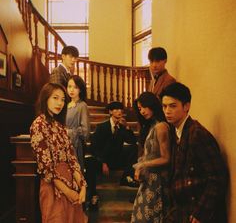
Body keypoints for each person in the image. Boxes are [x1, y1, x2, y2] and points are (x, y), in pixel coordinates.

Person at [160, 82, 228, 223]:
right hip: (180, 209)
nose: (167, 111)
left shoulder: (197, 134)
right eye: (164, 106)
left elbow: (217, 177)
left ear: (186, 106)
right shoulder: (175, 131)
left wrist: (200, 213)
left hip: (196, 212)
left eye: (173, 106)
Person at [30, 82, 87, 223]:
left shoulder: (60, 126)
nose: (60, 103)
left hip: (71, 181)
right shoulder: (38, 125)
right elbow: (46, 168)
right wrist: (68, 192)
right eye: (55, 98)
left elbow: (72, 158)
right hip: (53, 186)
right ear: (45, 98)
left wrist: (82, 186)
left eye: (62, 99)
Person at [86, 101, 138, 210]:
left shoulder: (123, 127)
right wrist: (102, 162)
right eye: (116, 109)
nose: (119, 112)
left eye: (121, 110)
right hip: (103, 161)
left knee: (133, 148)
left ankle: (126, 176)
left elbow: (133, 141)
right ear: (110, 111)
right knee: (89, 161)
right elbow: (94, 147)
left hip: (116, 160)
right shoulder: (102, 127)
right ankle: (93, 196)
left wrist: (127, 127)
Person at [131, 92, 171, 223]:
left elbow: (166, 158)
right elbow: (147, 154)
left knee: (149, 217)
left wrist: (144, 165)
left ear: (152, 105)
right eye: (139, 108)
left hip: (157, 180)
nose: (142, 111)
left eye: (144, 107)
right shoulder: (151, 126)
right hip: (148, 179)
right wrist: (140, 166)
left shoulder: (161, 127)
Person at [66, 75, 90, 172]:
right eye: (69, 86)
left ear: (80, 89)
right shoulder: (65, 105)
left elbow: (85, 132)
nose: (71, 90)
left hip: (75, 145)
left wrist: (69, 132)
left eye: (75, 87)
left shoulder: (82, 106)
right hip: (64, 144)